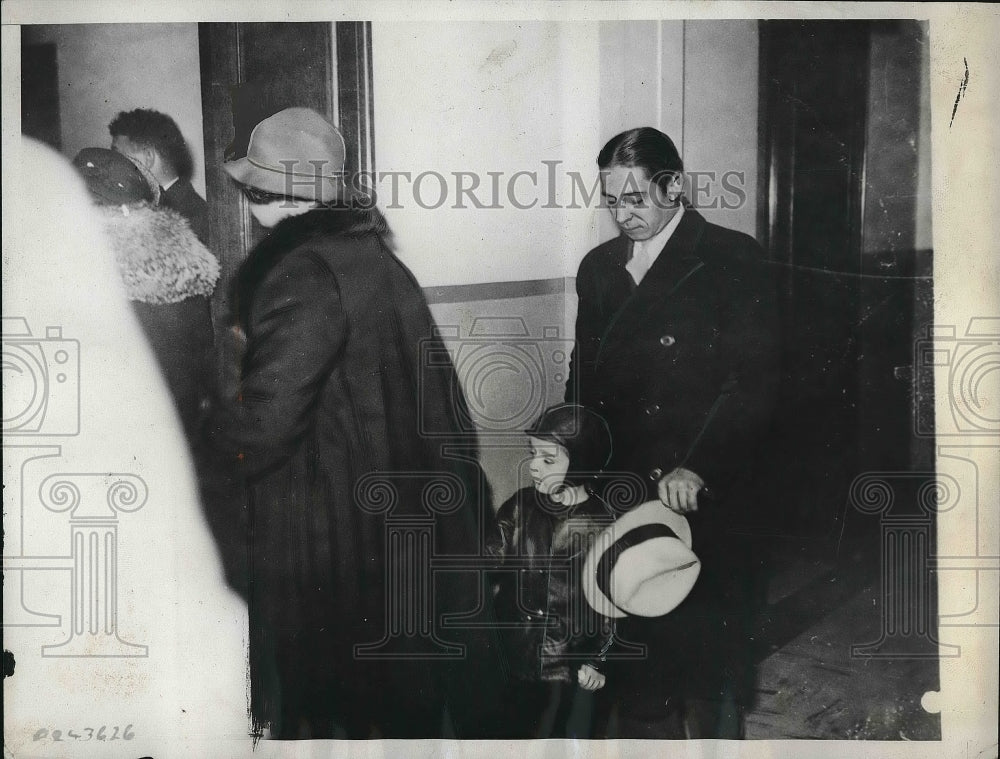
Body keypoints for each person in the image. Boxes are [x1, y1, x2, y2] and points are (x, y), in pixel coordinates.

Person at [202, 107, 501, 739]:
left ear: (270, 196)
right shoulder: (374, 259)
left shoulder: (301, 270)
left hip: (325, 520)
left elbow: (268, 420)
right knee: (386, 690)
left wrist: (201, 454)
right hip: (389, 513)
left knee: (322, 698)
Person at [566, 127, 781, 737]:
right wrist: (572, 461)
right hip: (628, 487)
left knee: (708, 667)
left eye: (636, 197)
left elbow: (755, 383)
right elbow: (583, 380)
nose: (623, 213)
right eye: (612, 200)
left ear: (674, 186)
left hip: (706, 491)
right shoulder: (600, 269)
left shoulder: (733, 257)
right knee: (637, 656)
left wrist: (701, 463)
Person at [486, 403, 616, 739]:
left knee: (559, 738)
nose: (533, 466)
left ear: (582, 461)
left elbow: (617, 602)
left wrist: (600, 660)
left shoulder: (604, 525)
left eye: (548, 459)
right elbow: (488, 560)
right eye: (533, 455)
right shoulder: (519, 506)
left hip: (567, 665)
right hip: (512, 653)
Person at [109, 108, 209, 244]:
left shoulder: (194, 221)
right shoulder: (148, 205)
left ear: (148, 158)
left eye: (119, 157)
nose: (112, 165)